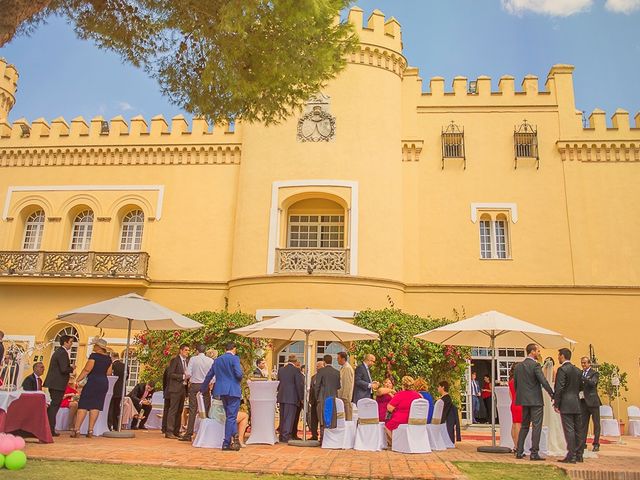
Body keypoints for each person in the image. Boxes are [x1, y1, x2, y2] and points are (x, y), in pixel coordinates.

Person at [514, 343, 554, 460]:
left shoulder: (518, 366)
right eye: (538, 351)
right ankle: (534, 452)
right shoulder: (535, 366)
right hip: (535, 400)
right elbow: (543, 381)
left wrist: (520, 396)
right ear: (532, 352)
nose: (539, 353)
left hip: (524, 400)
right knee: (537, 426)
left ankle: (519, 451)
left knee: (524, 426)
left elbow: (516, 384)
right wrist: (552, 393)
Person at [71, 338, 113, 438]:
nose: (93, 347)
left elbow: (87, 369)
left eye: (95, 345)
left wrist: (78, 379)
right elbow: (109, 373)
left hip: (92, 381)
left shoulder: (94, 356)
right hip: (103, 382)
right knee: (96, 406)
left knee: (83, 405)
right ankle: (90, 430)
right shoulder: (108, 359)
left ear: (98, 347)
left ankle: (77, 430)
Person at [554, 348, 584, 464]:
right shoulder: (577, 370)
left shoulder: (562, 370)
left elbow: (559, 387)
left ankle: (571, 455)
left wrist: (556, 403)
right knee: (578, 429)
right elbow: (581, 387)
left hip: (566, 402)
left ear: (562, 356)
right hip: (576, 402)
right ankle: (578, 455)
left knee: (569, 430)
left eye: (558, 355)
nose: (558, 358)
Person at [213, 341, 244, 450]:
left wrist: (202, 389)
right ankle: (226, 442)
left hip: (222, 391)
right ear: (234, 349)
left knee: (229, 416)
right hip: (233, 390)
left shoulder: (218, 360)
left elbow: (210, 374)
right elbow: (239, 374)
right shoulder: (235, 359)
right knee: (231, 417)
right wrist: (239, 379)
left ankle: (235, 437)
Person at [44, 334, 74, 437]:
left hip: (55, 383)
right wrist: (72, 368)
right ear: (65, 342)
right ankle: (50, 428)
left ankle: (50, 427)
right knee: (54, 406)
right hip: (57, 383)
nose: (71, 344)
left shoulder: (60, 352)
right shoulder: (62, 353)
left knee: (55, 405)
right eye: (70, 342)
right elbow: (64, 369)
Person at [182, 344, 214, 441]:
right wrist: (210, 383)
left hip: (195, 385)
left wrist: (188, 379)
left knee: (192, 409)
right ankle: (205, 432)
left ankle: (189, 433)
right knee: (206, 409)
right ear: (205, 351)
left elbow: (188, 373)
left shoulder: (193, 359)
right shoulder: (210, 360)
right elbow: (213, 376)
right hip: (205, 386)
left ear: (197, 351)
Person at [384, 376, 422, 445]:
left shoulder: (400, 394)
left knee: (387, 426)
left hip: (401, 419)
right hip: (415, 419)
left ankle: (396, 443)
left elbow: (389, 408)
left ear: (403, 385)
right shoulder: (417, 395)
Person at [542, 357, 567, 457]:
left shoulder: (542, 372)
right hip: (551, 393)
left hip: (544, 394)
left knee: (544, 415)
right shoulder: (555, 372)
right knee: (554, 418)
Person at [277, 354, 304, 442]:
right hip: (292, 397)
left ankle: (281, 435)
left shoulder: (281, 370)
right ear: (295, 361)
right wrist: (301, 398)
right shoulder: (296, 370)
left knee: (282, 417)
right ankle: (286, 436)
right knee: (289, 417)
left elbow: (279, 382)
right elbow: (299, 385)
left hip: (282, 396)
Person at [165, 344, 190, 439]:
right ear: (181, 351)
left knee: (180, 410)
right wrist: (183, 377)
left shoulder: (187, 361)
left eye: (188, 350)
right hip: (175, 388)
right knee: (173, 410)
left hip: (183, 388)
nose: (187, 352)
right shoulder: (175, 360)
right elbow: (171, 374)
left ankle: (176, 430)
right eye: (186, 350)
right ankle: (169, 431)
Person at [314, 354, 341, 442]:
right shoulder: (337, 372)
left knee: (322, 419)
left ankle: (322, 439)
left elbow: (317, 386)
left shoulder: (321, 371)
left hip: (322, 397)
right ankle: (330, 440)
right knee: (331, 418)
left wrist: (316, 397)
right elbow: (338, 386)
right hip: (333, 397)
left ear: (324, 362)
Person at [580, 356, 601, 454]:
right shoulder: (580, 373)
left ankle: (596, 443)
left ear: (589, 363)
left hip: (593, 401)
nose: (583, 365)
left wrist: (585, 378)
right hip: (583, 401)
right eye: (582, 363)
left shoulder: (594, 373)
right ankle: (582, 443)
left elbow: (593, 383)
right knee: (583, 424)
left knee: (596, 423)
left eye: (585, 363)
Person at [108, 351, 126, 431]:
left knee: (111, 407)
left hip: (113, 388)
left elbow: (110, 376)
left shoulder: (112, 365)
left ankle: (109, 424)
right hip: (121, 389)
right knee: (117, 408)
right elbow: (126, 377)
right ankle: (116, 425)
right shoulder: (125, 365)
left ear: (112, 357)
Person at [307, 360, 324, 441]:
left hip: (321, 401)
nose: (317, 368)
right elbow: (311, 389)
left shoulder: (325, 377)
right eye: (316, 366)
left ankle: (322, 435)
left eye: (318, 366)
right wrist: (310, 400)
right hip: (314, 401)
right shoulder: (313, 377)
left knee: (321, 419)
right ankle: (314, 435)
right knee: (313, 419)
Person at [508, 363, 523, 452]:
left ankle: (515, 445)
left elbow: (510, 394)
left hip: (513, 403)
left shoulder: (511, 380)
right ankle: (518, 447)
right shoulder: (520, 380)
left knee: (514, 425)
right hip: (520, 403)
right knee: (518, 425)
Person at [336, 352, 355, 421]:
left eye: (338, 358)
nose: (337, 360)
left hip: (345, 397)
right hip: (342, 396)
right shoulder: (344, 368)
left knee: (347, 416)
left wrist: (344, 396)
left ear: (343, 359)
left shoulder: (347, 368)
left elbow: (347, 383)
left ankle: (348, 430)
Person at [161, 365, 171, 434]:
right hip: (173, 392)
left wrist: (164, 390)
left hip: (167, 391)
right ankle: (168, 428)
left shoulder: (167, 368)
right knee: (172, 410)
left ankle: (164, 427)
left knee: (166, 410)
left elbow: (164, 381)